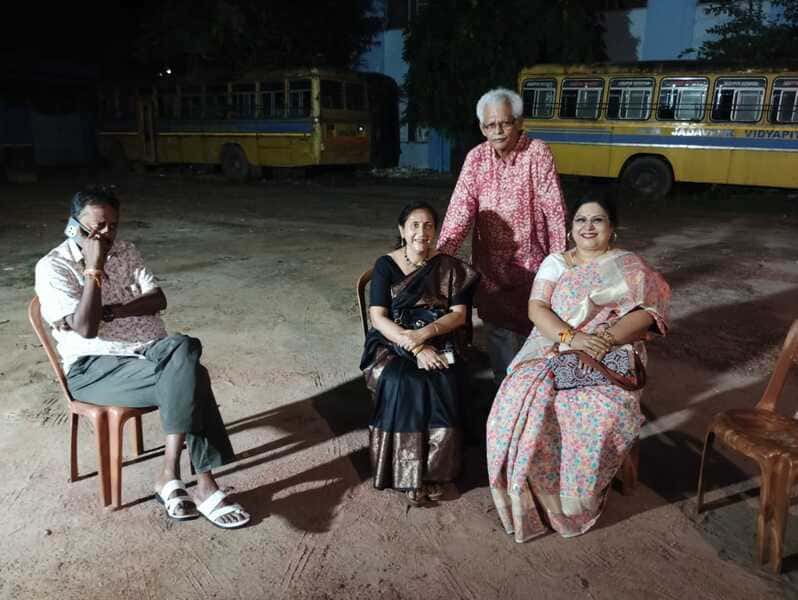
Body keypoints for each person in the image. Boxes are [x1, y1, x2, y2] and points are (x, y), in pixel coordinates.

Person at [34, 185, 249, 529]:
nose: (107, 234)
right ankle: (202, 483)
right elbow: (87, 329)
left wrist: (112, 311)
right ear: (73, 225)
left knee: (183, 349)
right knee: (192, 372)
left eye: (113, 225)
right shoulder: (52, 267)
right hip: (95, 368)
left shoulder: (126, 251)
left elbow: (158, 299)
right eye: (97, 226)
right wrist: (93, 268)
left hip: (151, 352)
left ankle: (170, 477)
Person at [486, 194, 670, 542]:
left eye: (597, 220)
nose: (588, 227)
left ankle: (578, 499)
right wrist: (573, 338)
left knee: (595, 411)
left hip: (609, 352)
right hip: (551, 346)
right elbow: (537, 308)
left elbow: (648, 313)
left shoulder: (630, 266)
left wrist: (604, 338)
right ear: (570, 229)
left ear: (612, 228)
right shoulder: (556, 263)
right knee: (519, 401)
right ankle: (540, 501)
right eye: (580, 220)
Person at [437, 87, 567, 385]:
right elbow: (460, 211)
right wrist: (441, 258)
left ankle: (530, 396)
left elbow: (555, 212)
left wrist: (559, 265)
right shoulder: (476, 159)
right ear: (482, 127)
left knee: (535, 341)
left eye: (504, 123)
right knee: (499, 343)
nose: (497, 131)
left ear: (518, 122)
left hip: (533, 270)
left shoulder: (537, 153)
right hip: (491, 272)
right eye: (490, 125)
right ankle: (503, 397)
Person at [360, 201, 480, 505]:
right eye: (414, 225)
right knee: (402, 381)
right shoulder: (385, 265)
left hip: (439, 337)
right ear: (402, 230)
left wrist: (426, 335)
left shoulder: (449, 267)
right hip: (392, 339)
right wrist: (415, 346)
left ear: (435, 231)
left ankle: (434, 471)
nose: (421, 232)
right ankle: (405, 473)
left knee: (442, 377)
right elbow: (378, 318)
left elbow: (458, 315)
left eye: (428, 225)